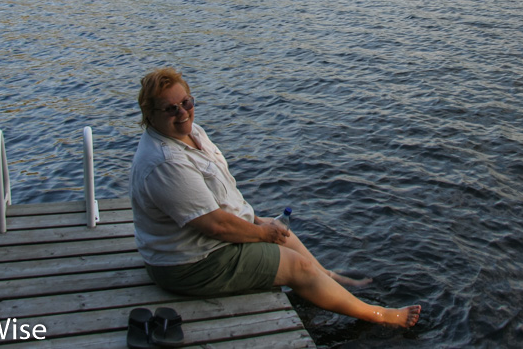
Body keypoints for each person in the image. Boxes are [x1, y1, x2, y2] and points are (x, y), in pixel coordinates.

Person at [130, 67, 421, 328]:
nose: (182, 112)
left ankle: (328, 279)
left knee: (280, 233)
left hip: (203, 245)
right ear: (150, 115)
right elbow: (215, 225)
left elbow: (218, 196)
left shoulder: (192, 133)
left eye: (186, 102)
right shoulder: (165, 162)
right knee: (296, 264)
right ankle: (380, 315)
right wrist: (259, 233)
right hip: (189, 264)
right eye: (170, 109)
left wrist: (257, 223)